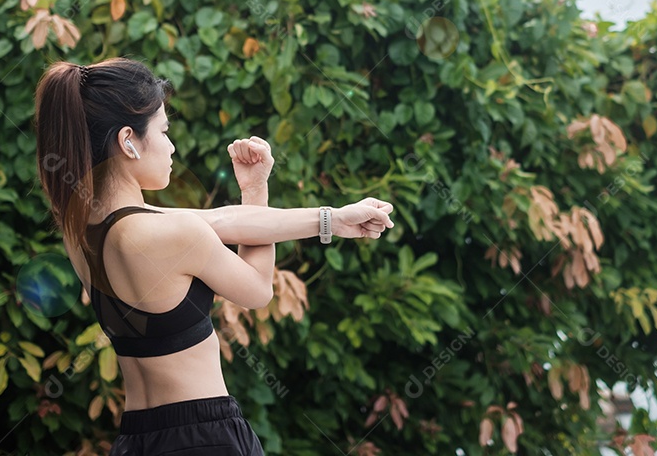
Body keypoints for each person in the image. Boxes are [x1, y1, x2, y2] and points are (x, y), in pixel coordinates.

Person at [33, 56, 395, 455]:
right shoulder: (168, 233)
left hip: (136, 441)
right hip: (204, 437)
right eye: (164, 131)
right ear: (128, 141)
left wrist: (332, 218)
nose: (171, 147)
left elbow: (223, 219)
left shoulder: (82, 231)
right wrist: (276, 200)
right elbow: (258, 289)